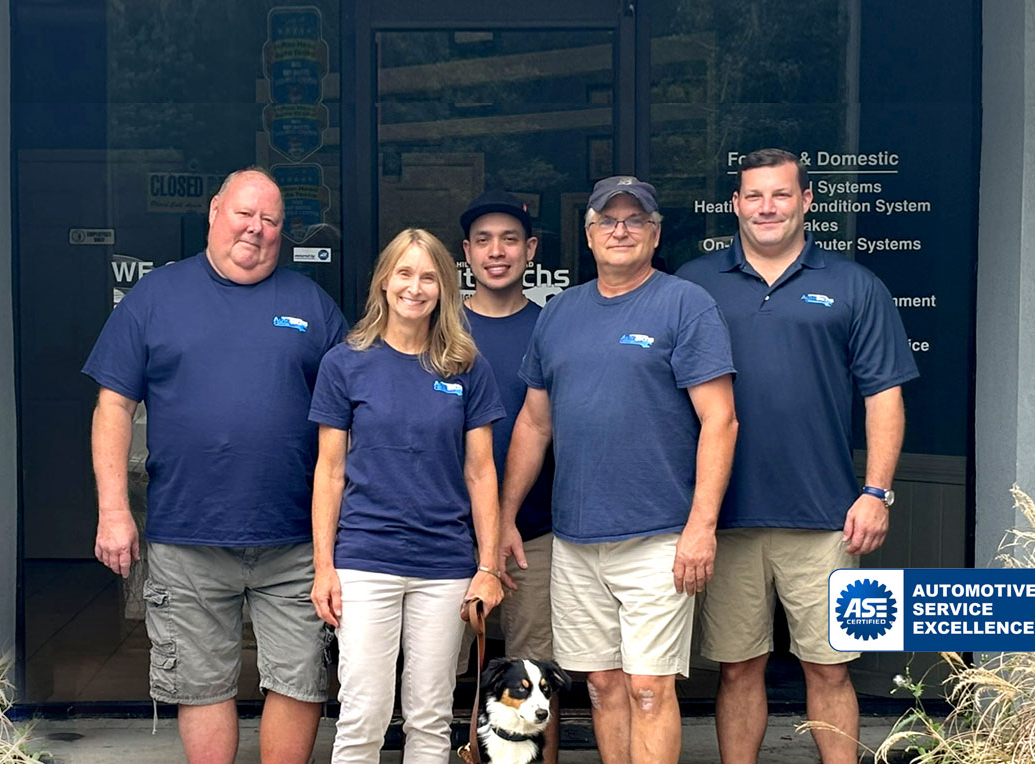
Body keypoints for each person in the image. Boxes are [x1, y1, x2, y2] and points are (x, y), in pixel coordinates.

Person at [83, 168, 347, 764]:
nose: (256, 229)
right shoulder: (156, 296)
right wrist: (113, 510)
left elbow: (349, 416)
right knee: (199, 683)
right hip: (187, 535)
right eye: (244, 214)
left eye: (271, 220)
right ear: (214, 211)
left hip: (296, 539)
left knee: (300, 677)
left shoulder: (311, 304)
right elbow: (113, 406)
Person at [675, 148, 919, 764]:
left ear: (806, 201)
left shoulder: (854, 285)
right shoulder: (694, 284)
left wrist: (876, 492)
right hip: (725, 517)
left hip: (826, 517)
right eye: (754, 195)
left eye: (781, 194)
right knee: (737, 670)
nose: (767, 207)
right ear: (736, 204)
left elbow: (884, 397)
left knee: (829, 669)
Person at [501, 176, 739, 764]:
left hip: (659, 536)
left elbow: (721, 420)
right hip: (576, 539)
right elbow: (534, 423)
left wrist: (701, 526)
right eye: (608, 220)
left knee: (649, 689)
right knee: (602, 687)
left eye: (636, 220)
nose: (621, 230)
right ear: (588, 235)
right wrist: (505, 516)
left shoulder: (685, 304)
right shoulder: (559, 312)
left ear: (655, 234)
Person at [309, 228, 507, 764]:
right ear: (383, 281)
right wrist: (324, 567)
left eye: (428, 277)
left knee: (430, 717)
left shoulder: (466, 366)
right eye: (404, 273)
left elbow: (481, 473)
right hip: (365, 559)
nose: (415, 288)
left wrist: (488, 566)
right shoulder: (344, 363)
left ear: (444, 288)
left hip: (444, 565)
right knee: (363, 714)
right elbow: (329, 472)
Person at [458, 190, 561, 762]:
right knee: (438, 674)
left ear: (531, 249)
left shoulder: (553, 326)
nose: (496, 252)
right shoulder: (441, 326)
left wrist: (508, 521)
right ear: (466, 251)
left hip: (533, 532)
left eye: (510, 240)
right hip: (449, 532)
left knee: (537, 679)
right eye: (484, 241)